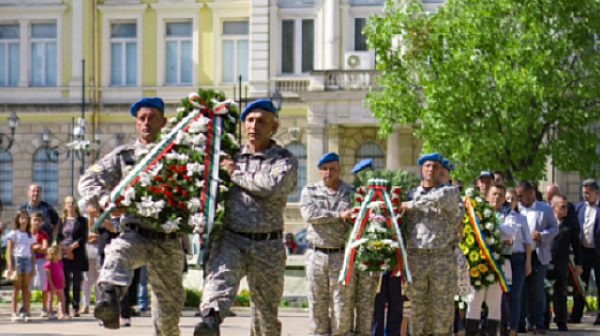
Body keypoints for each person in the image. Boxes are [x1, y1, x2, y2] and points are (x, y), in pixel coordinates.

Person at [80, 96, 188, 335]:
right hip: (134, 233)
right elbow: (89, 179)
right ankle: (109, 302)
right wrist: (105, 200)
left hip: (168, 239)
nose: (147, 123)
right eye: (142, 119)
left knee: (168, 319)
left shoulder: (180, 155)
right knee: (116, 253)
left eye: (152, 118)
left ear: (164, 122)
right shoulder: (123, 155)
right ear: (136, 123)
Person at [194, 98, 298, 336]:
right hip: (232, 238)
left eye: (261, 121)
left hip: (268, 245)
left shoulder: (284, 159)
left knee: (265, 316)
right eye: (249, 120)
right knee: (220, 281)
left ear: (274, 126)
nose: (254, 126)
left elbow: (272, 185)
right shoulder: (228, 155)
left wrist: (234, 172)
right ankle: (210, 321)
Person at [399, 153, 463, 336]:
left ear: (441, 170)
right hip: (417, 257)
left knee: (442, 307)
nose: (431, 169)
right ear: (422, 169)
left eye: (435, 166)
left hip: (441, 257)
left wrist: (410, 205)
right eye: (427, 166)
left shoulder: (449, 192)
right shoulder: (411, 193)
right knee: (417, 308)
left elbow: (436, 199)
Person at [300, 152, 354, 335]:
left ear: (339, 170)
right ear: (319, 171)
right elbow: (309, 215)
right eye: (324, 169)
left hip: (341, 257)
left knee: (342, 309)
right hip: (316, 255)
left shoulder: (351, 192)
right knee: (317, 306)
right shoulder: (310, 191)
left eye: (332, 169)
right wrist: (338, 216)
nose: (328, 173)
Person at [464, 185, 517, 336]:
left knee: (494, 303)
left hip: (498, 265)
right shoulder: (478, 212)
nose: (497, 197)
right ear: (487, 196)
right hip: (478, 264)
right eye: (494, 194)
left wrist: (489, 227)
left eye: (501, 195)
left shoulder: (509, 213)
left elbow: (510, 232)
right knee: (474, 300)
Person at [516, 180, 558, 334]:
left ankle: (539, 323)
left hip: (538, 255)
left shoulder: (544, 208)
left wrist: (542, 235)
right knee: (521, 290)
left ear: (531, 193)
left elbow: (555, 228)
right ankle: (520, 322)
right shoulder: (516, 208)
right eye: (517, 196)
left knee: (537, 290)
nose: (519, 199)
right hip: (520, 254)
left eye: (521, 195)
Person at [349, 158, 378, 336]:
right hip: (350, 257)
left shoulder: (380, 197)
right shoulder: (350, 196)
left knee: (366, 305)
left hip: (370, 257)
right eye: (362, 175)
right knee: (346, 304)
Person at [544, 195, 582, 331]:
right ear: (553, 208)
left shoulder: (570, 223)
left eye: (566, 206)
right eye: (563, 206)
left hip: (562, 262)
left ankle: (561, 320)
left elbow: (576, 245)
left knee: (561, 292)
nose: (566, 209)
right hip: (546, 261)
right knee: (545, 292)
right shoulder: (546, 222)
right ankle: (544, 321)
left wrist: (579, 264)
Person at [502, 187, 532, 336]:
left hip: (518, 258)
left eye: (513, 199)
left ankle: (513, 329)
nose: (510, 201)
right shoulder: (499, 216)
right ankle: (502, 327)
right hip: (503, 258)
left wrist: (528, 262)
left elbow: (528, 242)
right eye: (507, 198)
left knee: (515, 295)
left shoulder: (522, 218)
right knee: (501, 295)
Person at [569, 179, 600, 325]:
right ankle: (576, 314)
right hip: (582, 253)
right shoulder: (579, 207)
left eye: (588, 193)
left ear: (596, 192)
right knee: (580, 284)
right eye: (584, 193)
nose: (585, 196)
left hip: (598, 252)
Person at [56, 196, 89, 317]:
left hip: (77, 253)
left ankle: (76, 307)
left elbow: (82, 237)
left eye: (73, 202)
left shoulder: (82, 220)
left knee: (76, 281)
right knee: (64, 282)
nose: (70, 205)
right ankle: (64, 307)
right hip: (64, 254)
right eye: (68, 202)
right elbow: (58, 237)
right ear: (65, 205)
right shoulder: (62, 220)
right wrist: (66, 249)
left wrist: (72, 248)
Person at [6, 210, 36, 322]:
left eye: (26, 218)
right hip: (17, 259)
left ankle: (25, 311)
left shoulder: (30, 235)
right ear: (18, 219)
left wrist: (33, 267)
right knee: (16, 287)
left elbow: (32, 252)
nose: (24, 220)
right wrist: (9, 265)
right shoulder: (13, 233)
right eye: (22, 218)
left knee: (26, 287)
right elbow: (9, 250)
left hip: (27, 260)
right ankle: (14, 312)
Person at [30, 211, 50, 317]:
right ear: (31, 220)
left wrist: (35, 247)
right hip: (28, 261)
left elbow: (45, 248)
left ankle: (44, 307)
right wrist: (36, 247)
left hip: (40, 261)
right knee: (28, 285)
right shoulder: (27, 233)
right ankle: (25, 307)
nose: (37, 222)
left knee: (43, 285)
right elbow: (29, 248)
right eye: (35, 220)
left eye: (39, 220)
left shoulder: (43, 233)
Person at [81, 201, 99, 314]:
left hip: (99, 249)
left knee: (99, 280)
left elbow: (99, 233)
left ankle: (99, 304)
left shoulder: (101, 218)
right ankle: (86, 304)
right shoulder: (82, 218)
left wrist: (95, 235)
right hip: (86, 250)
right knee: (87, 280)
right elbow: (83, 234)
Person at [45, 244, 68, 320]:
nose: (61, 255)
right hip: (52, 284)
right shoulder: (49, 264)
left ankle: (62, 312)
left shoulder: (60, 263)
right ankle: (50, 313)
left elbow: (62, 273)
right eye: (60, 253)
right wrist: (51, 284)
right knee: (51, 299)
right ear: (54, 254)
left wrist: (63, 282)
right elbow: (48, 275)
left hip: (59, 283)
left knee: (62, 298)